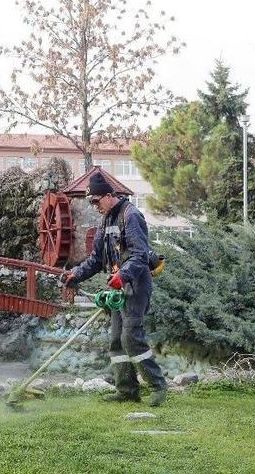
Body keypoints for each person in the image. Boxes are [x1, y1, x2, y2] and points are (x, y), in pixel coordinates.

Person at [62, 172, 168, 407]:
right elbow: (96, 259)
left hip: (136, 284)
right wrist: (75, 274)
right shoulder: (105, 221)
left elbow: (140, 255)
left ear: (109, 196)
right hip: (119, 286)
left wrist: (123, 275)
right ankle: (127, 390)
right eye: (90, 202)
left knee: (131, 337)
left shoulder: (131, 216)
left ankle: (158, 386)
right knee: (116, 342)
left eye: (96, 201)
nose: (93, 206)